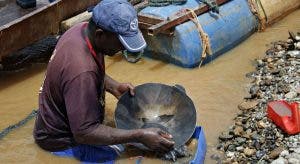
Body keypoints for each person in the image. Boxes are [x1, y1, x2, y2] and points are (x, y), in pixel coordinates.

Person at [33, 0, 174, 161]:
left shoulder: (80, 31)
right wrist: (139, 135)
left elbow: (85, 74)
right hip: (62, 141)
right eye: (121, 43)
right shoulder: (82, 70)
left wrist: (114, 87)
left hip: (56, 123)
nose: (123, 49)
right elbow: (84, 133)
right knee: (122, 154)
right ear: (100, 34)